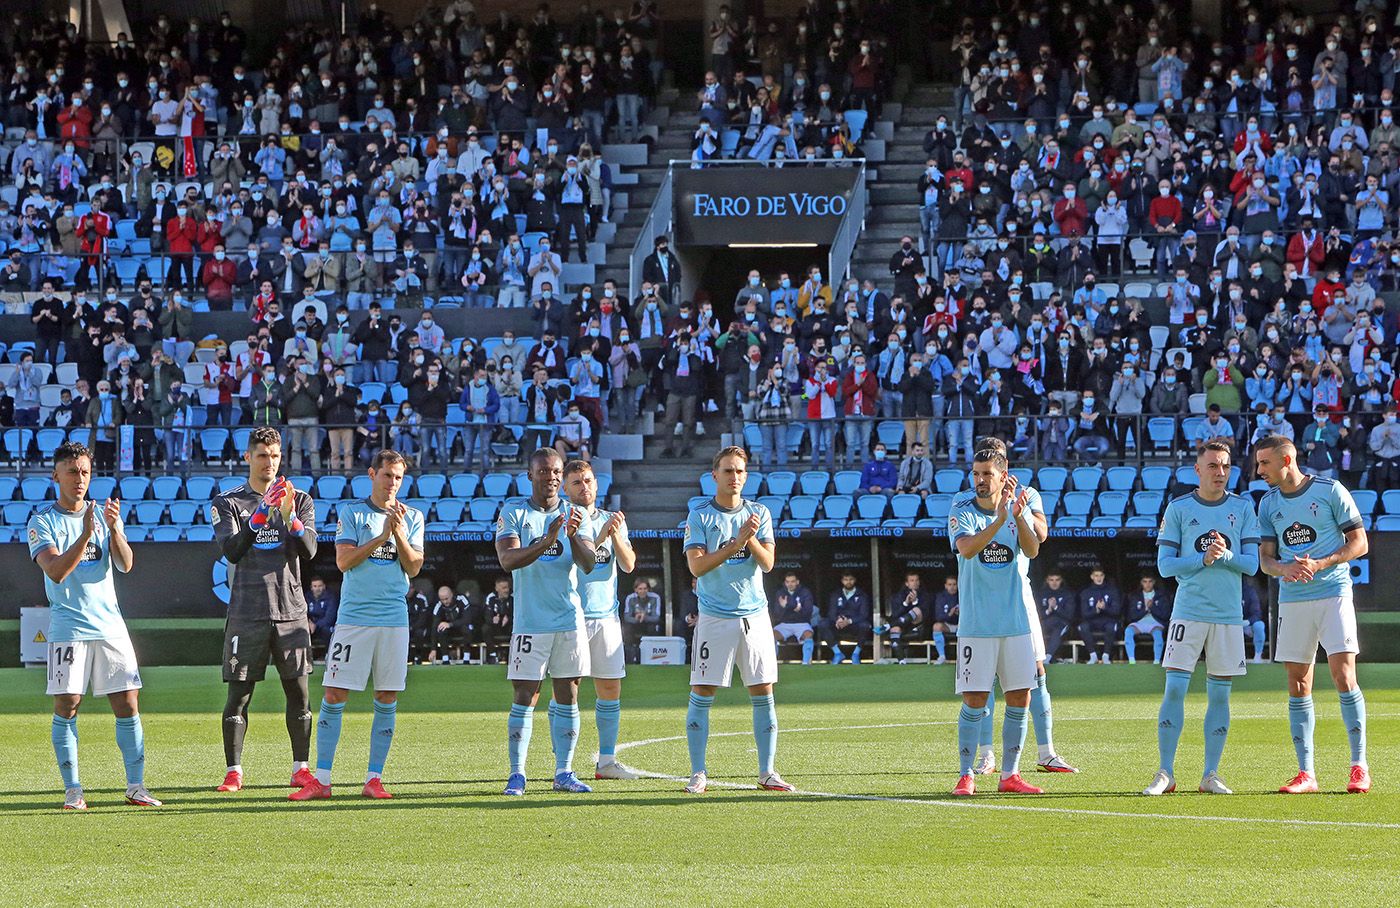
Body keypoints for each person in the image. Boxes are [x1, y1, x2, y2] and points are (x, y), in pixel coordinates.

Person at [28, 442, 160, 810]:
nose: (79, 479)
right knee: (68, 705)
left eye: (85, 472)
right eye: (71, 472)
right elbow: (55, 570)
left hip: (110, 626)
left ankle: (136, 786)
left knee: (128, 703)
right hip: (69, 627)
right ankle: (73, 791)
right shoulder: (42, 521)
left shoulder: (102, 515)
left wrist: (114, 529)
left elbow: (126, 564)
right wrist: (86, 534)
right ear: (56, 475)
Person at [293, 451, 424, 801]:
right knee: (334, 694)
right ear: (372, 474)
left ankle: (374, 778)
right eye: (387, 475)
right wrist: (382, 536)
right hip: (353, 620)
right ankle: (321, 779)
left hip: (394, 620)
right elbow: (343, 561)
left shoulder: (413, 517)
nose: (393, 483)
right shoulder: (353, 513)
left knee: (386, 696)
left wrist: (397, 534)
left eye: (398, 477)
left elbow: (413, 568)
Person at [1254, 435, 1371, 794]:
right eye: (1258, 464)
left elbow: (1360, 543)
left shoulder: (1330, 490)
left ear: (1286, 460)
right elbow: (1265, 560)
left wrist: (1322, 562)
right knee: (1298, 683)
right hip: (1292, 600)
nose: (1259, 471)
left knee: (1343, 675)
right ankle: (1306, 773)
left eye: (1265, 463)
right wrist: (1283, 569)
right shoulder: (1267, 503)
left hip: (1333, 594)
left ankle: (1358, 766)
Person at [1145, 441, 1260, 797]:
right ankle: (1166, 771)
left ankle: (1210, 774)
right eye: (1212, 466)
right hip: (1188, 612)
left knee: (1220, 696)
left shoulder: (1242, 508)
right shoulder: (1179, 508)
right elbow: (1165, 566)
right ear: (1198, 470)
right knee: (1175, 688)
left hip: (1227, 615)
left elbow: (1252, 564)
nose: (1220, 472)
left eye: (1225, 466)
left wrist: (1224, 556)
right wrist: (1201, 560)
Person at [209, 427, 317, 794]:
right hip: (247, 611)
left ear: (280, 457)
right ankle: (234, 771)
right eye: (261, 455)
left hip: (290, 612)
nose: (268, 462)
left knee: (299, 695)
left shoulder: (299, 499)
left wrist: (290, 517)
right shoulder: (228, 502)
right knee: (239, 696)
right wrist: (259, 518)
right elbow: (233, 551)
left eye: (274, 455)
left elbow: (311, 551)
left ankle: (301, 769)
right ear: (248, 458)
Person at [682, 446, 791, 795]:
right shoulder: (700, 515)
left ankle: (767, 772)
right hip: (714, 616)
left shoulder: (759, 513)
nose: (734, 477)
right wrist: (734, 544)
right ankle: (698, 772)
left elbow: (768, 563)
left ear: (746, 476)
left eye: (739, 471)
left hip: (755, 615)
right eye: (728, 471)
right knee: (702, 692)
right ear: (714, 475)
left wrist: (751, 539)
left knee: (763, 691)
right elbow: (696, 566)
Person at [494, 448, 599, 796]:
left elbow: (588, 563)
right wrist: (548, 539)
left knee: (568, 694)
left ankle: (564, 772)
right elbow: (508, 559)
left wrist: (569, 535)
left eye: (556, 472)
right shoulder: (514, 511)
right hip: (530, 622)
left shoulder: (574, 513)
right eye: (543, 471)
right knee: (525, 695)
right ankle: (517, 774)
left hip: (568, 621)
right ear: (530, 475)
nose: (551, 477)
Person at [948, 448, 1045, 797]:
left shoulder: (1017, 509)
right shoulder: (961, 510)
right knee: (975, 700)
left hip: (1016, 623)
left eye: (987, 474)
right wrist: (998, 520)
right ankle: (965, 774)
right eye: (976, 473)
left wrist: (1016, 517)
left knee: (1020, 697)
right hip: (977, 625)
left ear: (1003, 477)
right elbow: (969, 548)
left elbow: (1033, 550)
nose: (979, 480)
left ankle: (1010, 774)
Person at [564, 459, 643, 781]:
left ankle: (606, 762)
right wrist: (598, 537)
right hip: (570, 616)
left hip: (606, 617)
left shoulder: (613, 519)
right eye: (577, 483)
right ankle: (564, 767)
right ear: (566, 488)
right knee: (567, 690)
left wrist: (616, 536)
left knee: (610, 688)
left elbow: (628, 565)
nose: (585, 487)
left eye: (588, 481)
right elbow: (576, 564)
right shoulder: (562, 519)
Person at [820, 572, 872, 665]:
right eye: (846, 579)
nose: (848, 582)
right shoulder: (836, 594)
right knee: (823, 623)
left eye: (851, 579)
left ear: (855, 580)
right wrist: (837, 619)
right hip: (838, 624)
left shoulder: (862, 595)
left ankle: (855, 654)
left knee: (865, 625)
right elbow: (831, 612)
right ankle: (837, 653)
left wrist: (849, 621)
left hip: (854, 625)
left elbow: (864, 614)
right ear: (842, 581)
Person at [876, 572, 927, 663]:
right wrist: (906, 603)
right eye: (912, 580)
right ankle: (901, 660)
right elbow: (895, 615)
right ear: (907, 583)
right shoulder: (898, 596)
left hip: (917, 626)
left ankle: (888, 626)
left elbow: (926, 613)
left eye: (916, 580)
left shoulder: (925, 595)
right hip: (902, 625)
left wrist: (915, 602)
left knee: (916, 609)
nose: (914, 582)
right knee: (895, 629)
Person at [1123, 575, 1173, 665]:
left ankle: (1157, 661)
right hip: (1139, 623)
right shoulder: (1135, 596)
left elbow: (1166, 615)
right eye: (1145, 581)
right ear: (1141, 583)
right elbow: (1131, 616)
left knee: (1158, 634)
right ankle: (1131, 661)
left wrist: (1152, 607)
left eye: (1150, 581)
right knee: (1128, 631)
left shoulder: (1161, 596)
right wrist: (1145, 609)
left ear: (1154, 582)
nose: (1148, 584)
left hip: (1155, 624)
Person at [1077, 566, 1122, 665]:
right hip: (1092, 620)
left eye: (1101, 575)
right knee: (1082, 627)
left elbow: (1117, 611)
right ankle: (1093, 656)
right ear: (1092, 577)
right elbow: (1084, 613)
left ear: (1104, 576)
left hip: (1108, 620)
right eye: (1096, 575)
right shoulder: (1086, 592)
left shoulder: (1112, 590)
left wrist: (1105, 608)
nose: (1099, 578)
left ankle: (1106, 656)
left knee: (1112, 626)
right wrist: (1096, 609)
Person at [770, 572, 817, 665]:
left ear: (797, 582)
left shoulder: (805, 592)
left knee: (808, 635)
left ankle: (806, 664)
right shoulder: (781, 592)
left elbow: (808, 612)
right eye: (787, 582)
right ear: (785, 583)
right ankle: (771, 664)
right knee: (770, 636)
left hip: (802, 623)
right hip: (785, 624)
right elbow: (777, 614)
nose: (790, 584)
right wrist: (793, 607)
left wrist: (787, 606)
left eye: (792, 581)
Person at [622, 580, 665, 664]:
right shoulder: (630, 598)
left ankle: (652, 657)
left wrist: (644, 617)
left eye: (645, 588)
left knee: (653, 627)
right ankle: (630, 659)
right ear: (635, 590)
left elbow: (656, 617)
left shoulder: (655, 597)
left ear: (648, 589)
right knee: (627, 628)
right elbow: (626, 617)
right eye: (640, 589)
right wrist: (637, 619)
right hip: (635, 623)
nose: (643, 591)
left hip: (649, 623)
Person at [305, 577, 338, 656]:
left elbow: (330, 617)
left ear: (324, 586)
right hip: (310, 625)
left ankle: (328, 655)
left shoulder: (330, 597)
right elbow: (303, 613)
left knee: (328, 631)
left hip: (324, 626)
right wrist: (308, 623)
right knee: (301, 631)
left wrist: (316, 625)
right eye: (315, 586)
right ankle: (304, 657)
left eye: (320, 586)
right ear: (311, 587)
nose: (317, 589)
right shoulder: (306, 596)